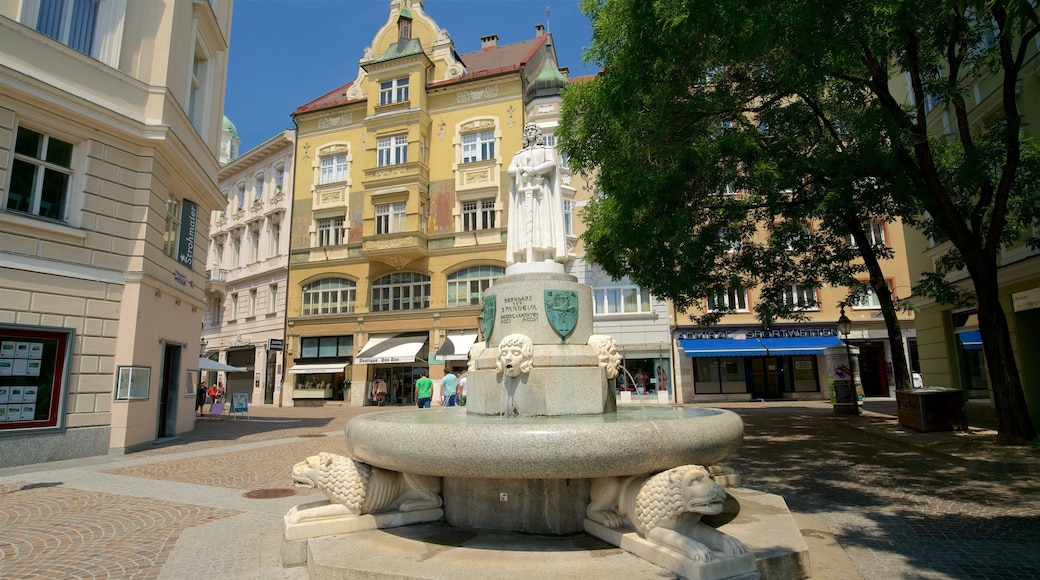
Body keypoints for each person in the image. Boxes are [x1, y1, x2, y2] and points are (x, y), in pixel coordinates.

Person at [506, 122, 567, 266]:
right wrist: (521, 171)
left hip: (542, 193)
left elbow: (551, 164)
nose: (530, 132)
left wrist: (533, 170)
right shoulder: (519, 154)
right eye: (527, 130)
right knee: (521, 224)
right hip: (523, 193)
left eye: (533, 129)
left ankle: (547, 255)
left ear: (538, 133)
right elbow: (510, 170)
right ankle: (521, 256)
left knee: (544, 221)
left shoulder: (547, 149)